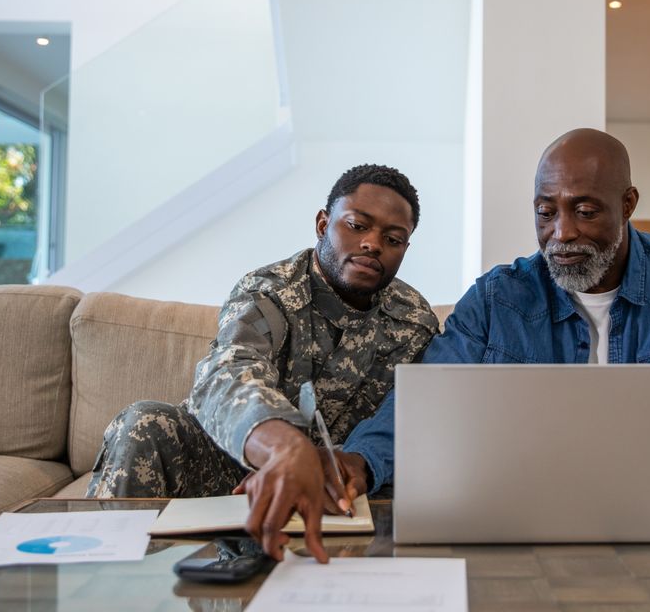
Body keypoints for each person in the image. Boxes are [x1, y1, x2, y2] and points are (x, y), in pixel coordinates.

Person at [343, 128, 650, 533]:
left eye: (585, 211)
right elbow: (426, 404)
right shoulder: (499, 299)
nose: (562, 233)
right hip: (532, 492)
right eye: (546, 212)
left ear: (627, 204)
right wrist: (360, 463)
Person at [86, 164, 439, 563]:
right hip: (238, 463)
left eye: (392, 238)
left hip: (344, 485)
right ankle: (104, 579)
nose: (373, 244)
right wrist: (283, 448)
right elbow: (230, 372)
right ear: (323, 224)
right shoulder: (270, 290)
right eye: (357, 225)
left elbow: (405, 423)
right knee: (145, 423)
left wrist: (350, 467)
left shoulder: (413, 321)